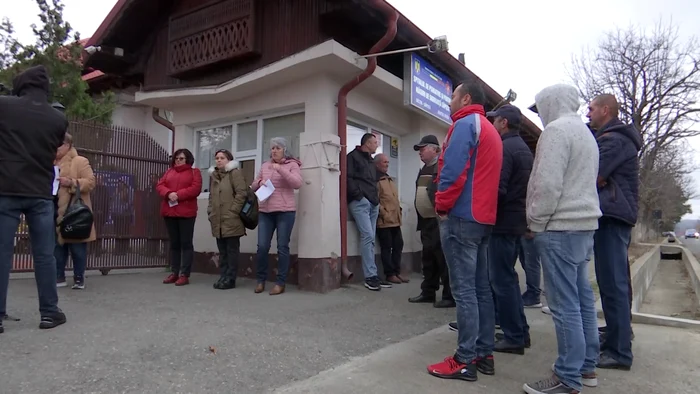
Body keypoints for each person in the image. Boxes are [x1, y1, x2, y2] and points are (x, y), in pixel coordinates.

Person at [523, 84, 602, 394]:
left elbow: (547, 184)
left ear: (550, 104)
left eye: (540, 108)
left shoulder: (556, 131)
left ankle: (567, 377)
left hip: (558, 227)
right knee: (582, 300)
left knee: (563, 304)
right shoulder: (586, 134)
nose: (540, 116)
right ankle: (587, 367)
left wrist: (536, 221)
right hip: (583, 226)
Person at [426, 80, 502, 382]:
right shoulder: (489, 128)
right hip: (483, 219)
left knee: (464, 291)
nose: (449, 101)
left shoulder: (464, 125)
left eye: (453, 95)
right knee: (481, 288)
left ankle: (464, 359)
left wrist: (441, 206)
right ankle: (484, 352)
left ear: (466, 98)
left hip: (461, 217)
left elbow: (452, 171)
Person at [0, 65, 68, 332]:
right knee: (44, 255)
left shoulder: (4, 106)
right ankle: (49, 312)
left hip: (6, 189)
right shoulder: (57, 118)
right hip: (40, 192)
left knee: (2, 253)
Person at [587, 94, 641, 371]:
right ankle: (618, 333)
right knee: (615, 282)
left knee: (613, 283)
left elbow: (592, 175)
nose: (588, 112)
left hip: (612, 214)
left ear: (606, 110)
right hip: (615, 214)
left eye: (592, 108)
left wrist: (598, 177)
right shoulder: (615, 138)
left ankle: (619, 352)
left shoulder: (613, 140)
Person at [485, 104, 534, 355]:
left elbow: (498, 189)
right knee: (509, 279)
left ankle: (514, 336)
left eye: (494, 120)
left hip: (503, 223)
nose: (492, 123)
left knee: (501, 280)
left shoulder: (505, 148)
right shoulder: (523, 148)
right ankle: (519, 332)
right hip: (515, 222)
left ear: (503, 122)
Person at [251, 137, 303, 295]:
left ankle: (280, 282)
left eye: (278, 148)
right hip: (265, 211)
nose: (274, 151)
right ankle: (260, 280)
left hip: (285, 212)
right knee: (262, 247)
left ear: (285, 150)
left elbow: (297, 183)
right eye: (272, 148)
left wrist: (280, 169)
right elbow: (253, 185)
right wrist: (259, 182)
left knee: (282, 247)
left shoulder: (292, 165)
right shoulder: (265, 165)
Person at [409, 135, 454, 308]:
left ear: (435, 149)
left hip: (439, 220)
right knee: (428, 258)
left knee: (442, 258)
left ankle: (449, 295)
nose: (420, 152)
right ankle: (428, 292)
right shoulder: (424, 169)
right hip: (426, 221)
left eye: (423, 148)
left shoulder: (442, 166)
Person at [347, 133, 390, 291]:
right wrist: (359, 197)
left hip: (373, 203)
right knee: (367, 237)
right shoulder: (352, 157)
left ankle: (374, 275)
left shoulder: (371, 161)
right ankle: (370, 276)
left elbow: (372, 181)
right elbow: (348, 178)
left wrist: (376, 200)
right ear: (366, 143)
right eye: (374, 142)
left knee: (371, 239)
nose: (376, 145)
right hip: (360, 202)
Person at [54, 133, 97, 290]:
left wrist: (71, 182)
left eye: (57, 144)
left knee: (77, 246)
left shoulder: (79, 161)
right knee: (57, 246)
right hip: (53, 207)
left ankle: (79, 277)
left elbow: (91, 182)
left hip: (73, 211)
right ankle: (58, 276)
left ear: (67, 145)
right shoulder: (50, 162)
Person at [157, 148, 202, 286]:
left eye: (181, 158)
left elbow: (196, 188)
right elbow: (160, 185)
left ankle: (184, 274)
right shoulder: (169, 171)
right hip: (170, 212)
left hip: (186, 213)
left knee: (186, 243)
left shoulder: (195, 172)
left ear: (187, 159)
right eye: (176, 158)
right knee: (174, 244)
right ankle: (174, 272)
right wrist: (168, 193)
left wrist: (178, 195)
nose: (178, 161)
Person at [208, 149, 248, 290]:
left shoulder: (234, 174)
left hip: (231, 219)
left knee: (231, 251)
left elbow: (241, 193)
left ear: (229, 160)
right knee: (222, 251)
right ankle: (223, 276)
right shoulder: (214, 176)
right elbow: (212, 197)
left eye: (222, 158)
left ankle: (230, 278)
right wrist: (210, 212)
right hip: (218, 220)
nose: (219, 160)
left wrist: (233, 211)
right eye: (217, 158)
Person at [374, 154, 405, 284]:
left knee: (398, 244)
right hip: (384, 221)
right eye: (384, 162)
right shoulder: (376, 179)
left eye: (388, 162)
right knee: (386, 247)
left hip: (395, 219)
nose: (387, 164)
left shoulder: (389, 179)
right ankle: (389, 274)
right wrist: (383, 213)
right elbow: (375, 199)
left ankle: (396, 272)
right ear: (377, 164)